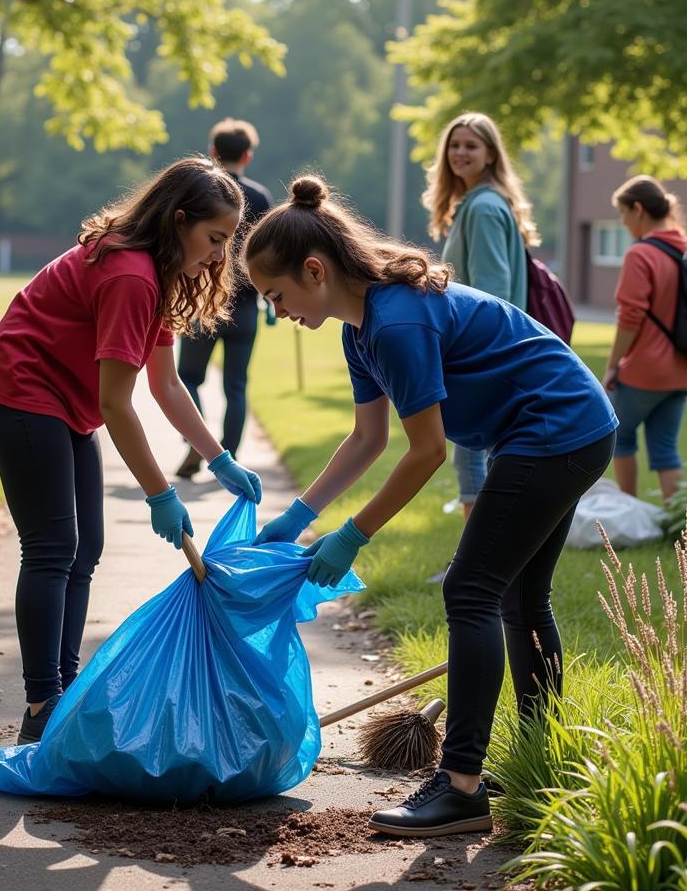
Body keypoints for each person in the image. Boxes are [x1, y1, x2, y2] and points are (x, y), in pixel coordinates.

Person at [244, 176, 616, 837]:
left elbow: (426, 453)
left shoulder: (397, 322)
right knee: (519, 599)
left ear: (314, 269)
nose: (277, 313)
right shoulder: (360, 331)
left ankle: (461, 785)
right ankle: (542, 756)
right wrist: (300, 516)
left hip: (557, 428)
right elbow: (368, 437)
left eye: (276, 296)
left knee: (472, 590)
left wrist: (354, 533)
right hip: (556, 428)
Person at [0, 157, 263, 745]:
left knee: (87, 548)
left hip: (65, 401)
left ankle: (65, 688)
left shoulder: (158, 272)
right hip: (22, 390)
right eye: (214, 239)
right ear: (179, 221)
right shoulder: (131, 274)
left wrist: (219, 457)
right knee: (53, 546)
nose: (218, 256)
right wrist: (161, 492)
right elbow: (117, 403)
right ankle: (41, 705)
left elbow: (166, 384)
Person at [423, 111, 540, 521]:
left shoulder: (485, 207)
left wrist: (475, 357)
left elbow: (492, 293)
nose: (460, 153)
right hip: (481, 352)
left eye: (471, 145)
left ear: (490, 154)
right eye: (454, 145)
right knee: (474, 457)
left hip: (482, 353)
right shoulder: (475, 203)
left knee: (472, 458)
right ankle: (478, 562)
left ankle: (474, 564)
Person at [175, 119, 273, 478]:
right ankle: (227, 459)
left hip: (202, 301)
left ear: (212, 151)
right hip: (246, 306)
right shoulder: (261, 198)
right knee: (236, 385)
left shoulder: (201, 194)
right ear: (247, 155)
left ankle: (195, 446)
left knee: (187, 377)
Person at [604, 175, 687, 502]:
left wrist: (613, 366)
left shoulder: (640, 254)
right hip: (683, 369)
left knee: (621, 438)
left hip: (644, 370)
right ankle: (678, 525)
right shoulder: (685, 249)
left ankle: (631, 512)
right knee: (665, 449)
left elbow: (630, 316)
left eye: (623, 213)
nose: (623, 221)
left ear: (639, 209)